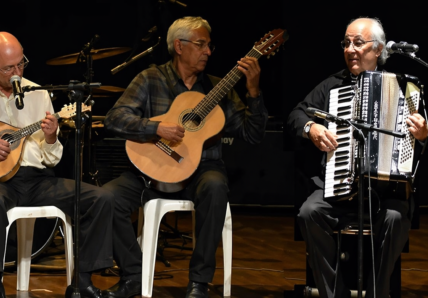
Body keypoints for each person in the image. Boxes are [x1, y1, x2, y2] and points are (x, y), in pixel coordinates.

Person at [0, 31, 114, 298]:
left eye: (21, 63)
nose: (17, 72)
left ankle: (82, 280)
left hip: (37, 180)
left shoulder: (37, 94)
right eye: (8, 68)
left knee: (102, 198)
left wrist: (51, 138)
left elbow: (52, 158)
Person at [102, 16, 269, 298]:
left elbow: (252, 134)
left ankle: (198, 282)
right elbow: (114, 119)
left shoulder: (219, 89)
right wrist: (156, 127)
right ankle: (133, 274)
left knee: (216, 187)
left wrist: (253, 90)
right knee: (106, 198)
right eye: (201, 44)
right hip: (149, 170)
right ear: (179, 46)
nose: (208, 51)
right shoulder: (150, 78)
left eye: (209, 46)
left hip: (203, 169)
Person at [288, 17, 427, 298]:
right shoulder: (332, 85)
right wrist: (311, 127)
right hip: (340, 188)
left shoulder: (404, 88)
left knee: (396, 218)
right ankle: (334, 293)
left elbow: (420, 137)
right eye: (346, 43)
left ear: (378, 50)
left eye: (358, 43)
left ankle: (378, 291)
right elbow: (296, 115)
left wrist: (422, 134)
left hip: (385, 191)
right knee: (309, 212)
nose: (350, 49)